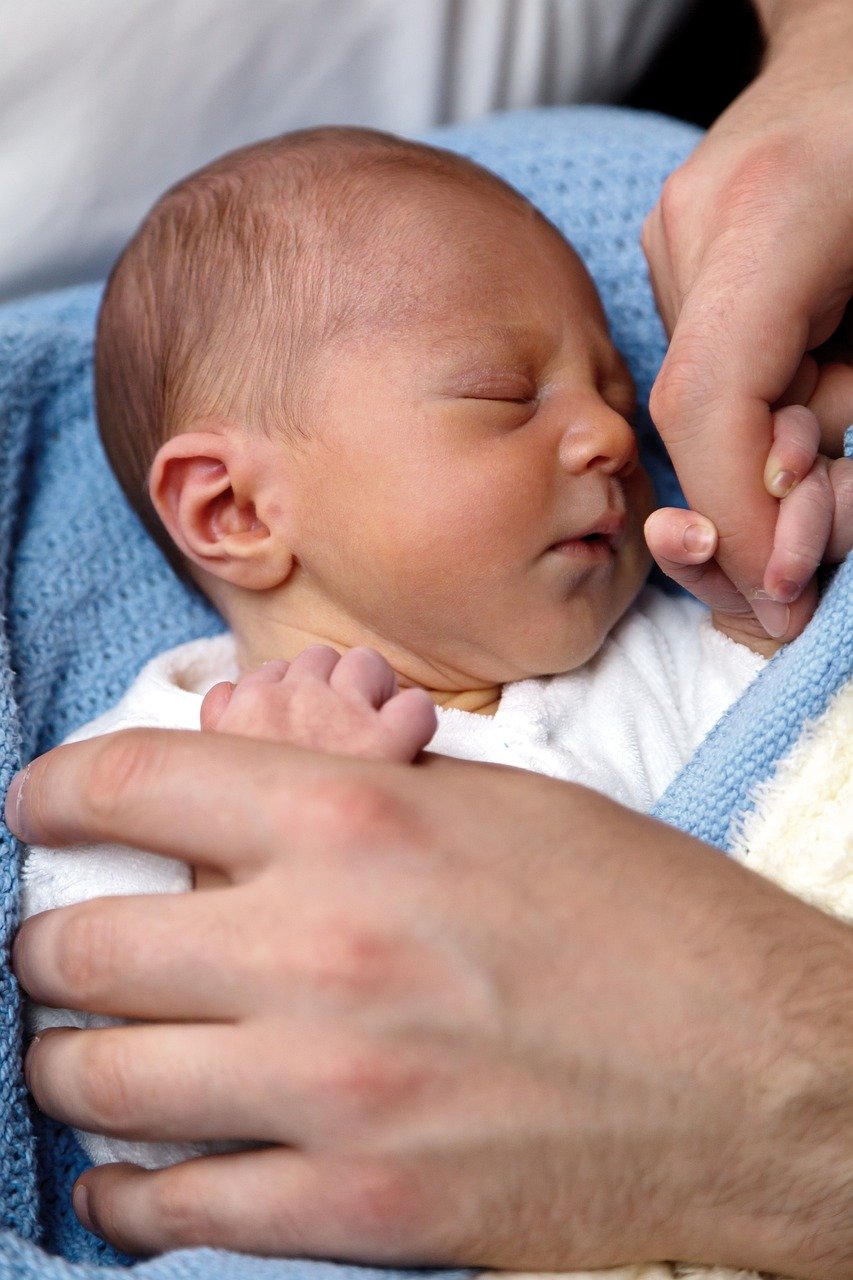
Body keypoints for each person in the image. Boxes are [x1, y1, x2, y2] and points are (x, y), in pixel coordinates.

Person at [8, 0, 853, 1269]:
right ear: (233, 508)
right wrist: (251, 865)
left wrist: (769, 620)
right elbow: (143, 1109)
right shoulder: (169, 753)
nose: (616, 437)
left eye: (614, 388)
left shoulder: (659, 648)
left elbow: (805, 807)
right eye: (505, 395)